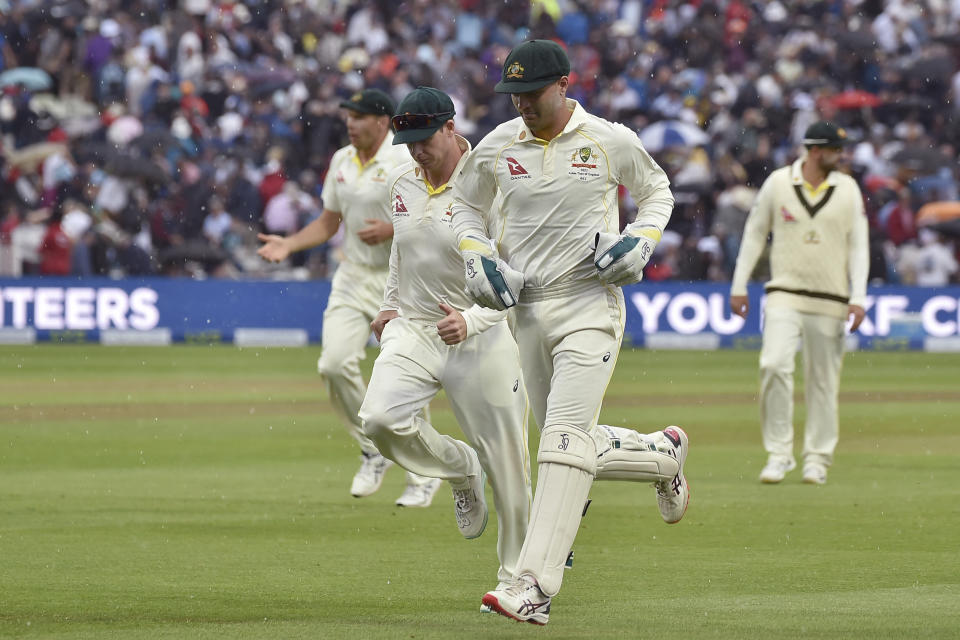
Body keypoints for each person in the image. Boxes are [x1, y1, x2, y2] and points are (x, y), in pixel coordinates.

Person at [449, 40, 691, 625]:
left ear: (564, 84)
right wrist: (476, 253)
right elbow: (463, 202)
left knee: (560, 441)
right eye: (515, 96)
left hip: (591, 304)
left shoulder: (608, 139)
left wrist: (642, 239)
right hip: (527, 312)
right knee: (569, 444)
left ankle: (532, 587)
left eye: (533, 93)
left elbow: (657, 191)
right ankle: (663, 456)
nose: (523, 105)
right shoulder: (499, 144)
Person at [356, 86, 532, 592]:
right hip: (415, 326)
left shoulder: (493, 184)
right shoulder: (402, 181)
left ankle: (517, 579)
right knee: (380, 420)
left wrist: (473, 320)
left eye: (424, 138)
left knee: (509, 467)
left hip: (481, 332)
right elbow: (403, 252)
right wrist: (390, 304)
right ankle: (458, 468)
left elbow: (515, 274)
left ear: (451, 127)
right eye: (406, 140)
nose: (416, 150)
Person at [258, 88, 439, 507]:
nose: (350, 124)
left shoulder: (403, 159)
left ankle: (424, 471)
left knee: (403, 378)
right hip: (353, 276)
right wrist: (289, 245)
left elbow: (435, 208)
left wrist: (391, 229)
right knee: (334, 364)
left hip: (401, 280)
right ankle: (374, 448)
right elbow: (327, 222)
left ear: (381, 121)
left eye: (358, 117)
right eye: (347, 118)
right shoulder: (341, 160)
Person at [729, 121, 869, 486]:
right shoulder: (778, 183)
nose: (842, 157)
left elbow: (859, 247)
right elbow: (755, 232)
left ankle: (817, 458)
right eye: (836, 150)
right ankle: (779, 454)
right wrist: (739, 285)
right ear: (816, 151)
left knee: (823, 382)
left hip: (832, 299)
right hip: (784, 293)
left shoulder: (849, 189)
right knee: (774, 364)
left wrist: (858, 297)